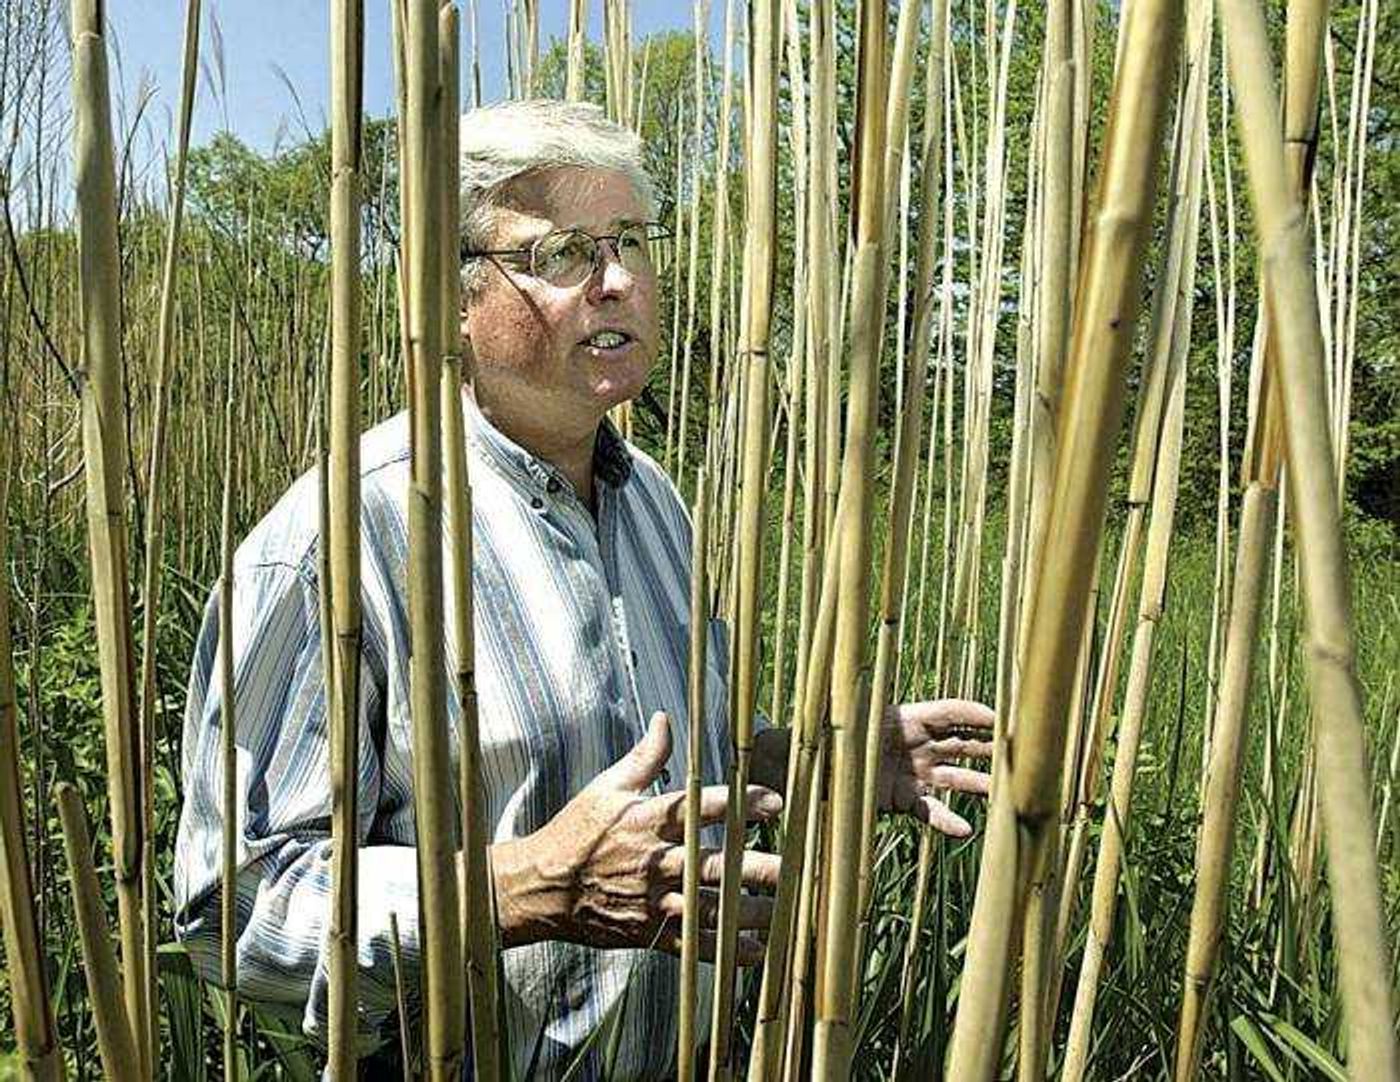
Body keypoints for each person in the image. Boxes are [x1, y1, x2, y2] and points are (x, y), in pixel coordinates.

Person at [174, 99, 993, 1079]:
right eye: (562, 252)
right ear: (454, 294)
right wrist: (521, 887)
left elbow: (649, 775)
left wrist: (797, 762)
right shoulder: (338, 541)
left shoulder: (653, 500)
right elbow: (230, 910)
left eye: (630, 243)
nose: (615, 282)